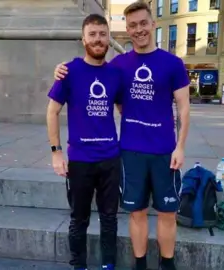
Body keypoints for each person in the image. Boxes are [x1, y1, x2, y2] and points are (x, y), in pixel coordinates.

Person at [53, 2, 190, 270]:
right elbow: (110, 93)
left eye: (143, 23)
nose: (138, 30)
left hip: (165, 151)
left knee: (168, 213)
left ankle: (167, 264)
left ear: (152, 24)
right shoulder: (118, 66)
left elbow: (184, 109)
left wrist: (181, 146)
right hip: (130, 151)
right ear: (126, 30)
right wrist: (60, 70)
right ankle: (140, 264)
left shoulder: (172, 63)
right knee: (136, 213)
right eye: (132, 26)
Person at [46, 14, 123, 270]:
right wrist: (56, 152)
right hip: (80, 161)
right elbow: (52, 112)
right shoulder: (69, 71)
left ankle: (108, 265)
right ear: (83, 39)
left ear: (109, 38)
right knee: (79, 220)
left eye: (102, 34)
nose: (98, 39)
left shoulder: (115, 74)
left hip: (110, 159)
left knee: (109, 218)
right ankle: (78, 265)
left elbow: (125, 109)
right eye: (92, 34)